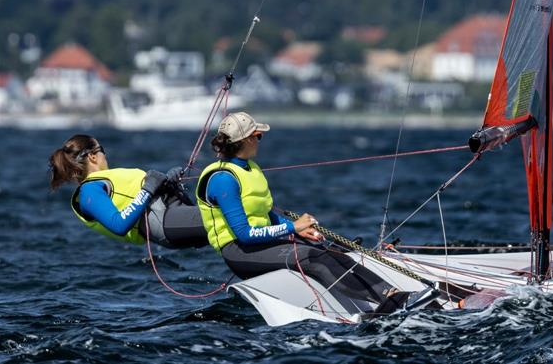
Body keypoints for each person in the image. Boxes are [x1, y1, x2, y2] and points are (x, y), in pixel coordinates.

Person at [196, 112, 437, 315]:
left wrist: (301, 230)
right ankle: (387, 306)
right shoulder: (223, 180)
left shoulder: (250, 168)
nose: (261, 140)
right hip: (240, 252)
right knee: (312, 258)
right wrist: (293, 228)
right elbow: (245, 234)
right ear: (245, 141)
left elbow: (266, 216)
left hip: (261, 243)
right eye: (258, 136)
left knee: (332, 251)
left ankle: (392, 294)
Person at [49, 134, 208, 249]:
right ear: (92, 157)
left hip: (173, 213)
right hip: (163, 222)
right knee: (225, 216)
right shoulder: (88, 192)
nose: (105, 155)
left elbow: (140, 194)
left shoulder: (104, 181)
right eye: (101, 149)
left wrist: (167, 182)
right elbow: (118, 224)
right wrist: (149, 188)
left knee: (227, 218)